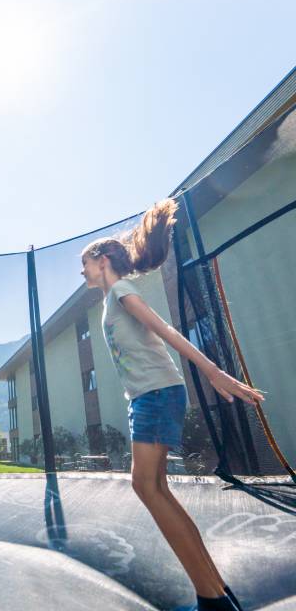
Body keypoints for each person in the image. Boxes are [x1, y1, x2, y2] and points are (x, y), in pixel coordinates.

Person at [80, 198, 263, 611]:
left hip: (157, 394)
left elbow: (162, 329)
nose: (82, 270)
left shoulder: (123, 291)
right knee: (155, 487)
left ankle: (211, 598)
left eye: (86, 262)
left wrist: (214, 372)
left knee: (146, 485)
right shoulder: (111, 298)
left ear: (103, 258)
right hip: (148, 396)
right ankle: (215, 590)